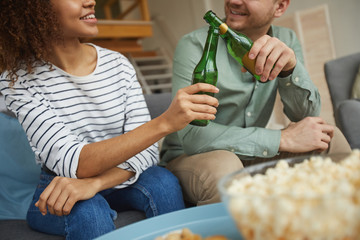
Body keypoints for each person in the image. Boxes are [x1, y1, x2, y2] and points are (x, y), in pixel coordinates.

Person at [0, 0, 219, 239]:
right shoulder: (17, 82)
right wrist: (164, 123)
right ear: (35, 8)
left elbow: (146, 154)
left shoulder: (118, 65)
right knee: (89, 211)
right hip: (60, 186)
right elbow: (72, 162)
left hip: (119, 174)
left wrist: (95, 184)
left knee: (162, 182)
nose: (91, 1)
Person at [160, 0, 352, 206]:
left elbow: (307, 116)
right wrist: (280, 139)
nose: (233, 1)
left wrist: (289, 69)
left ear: (279, 7)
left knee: (329, 137)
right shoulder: (194, 45)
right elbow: (193, 138)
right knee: (225, 167)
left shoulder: (286, 39)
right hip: (191, 157)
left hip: (251, 154)